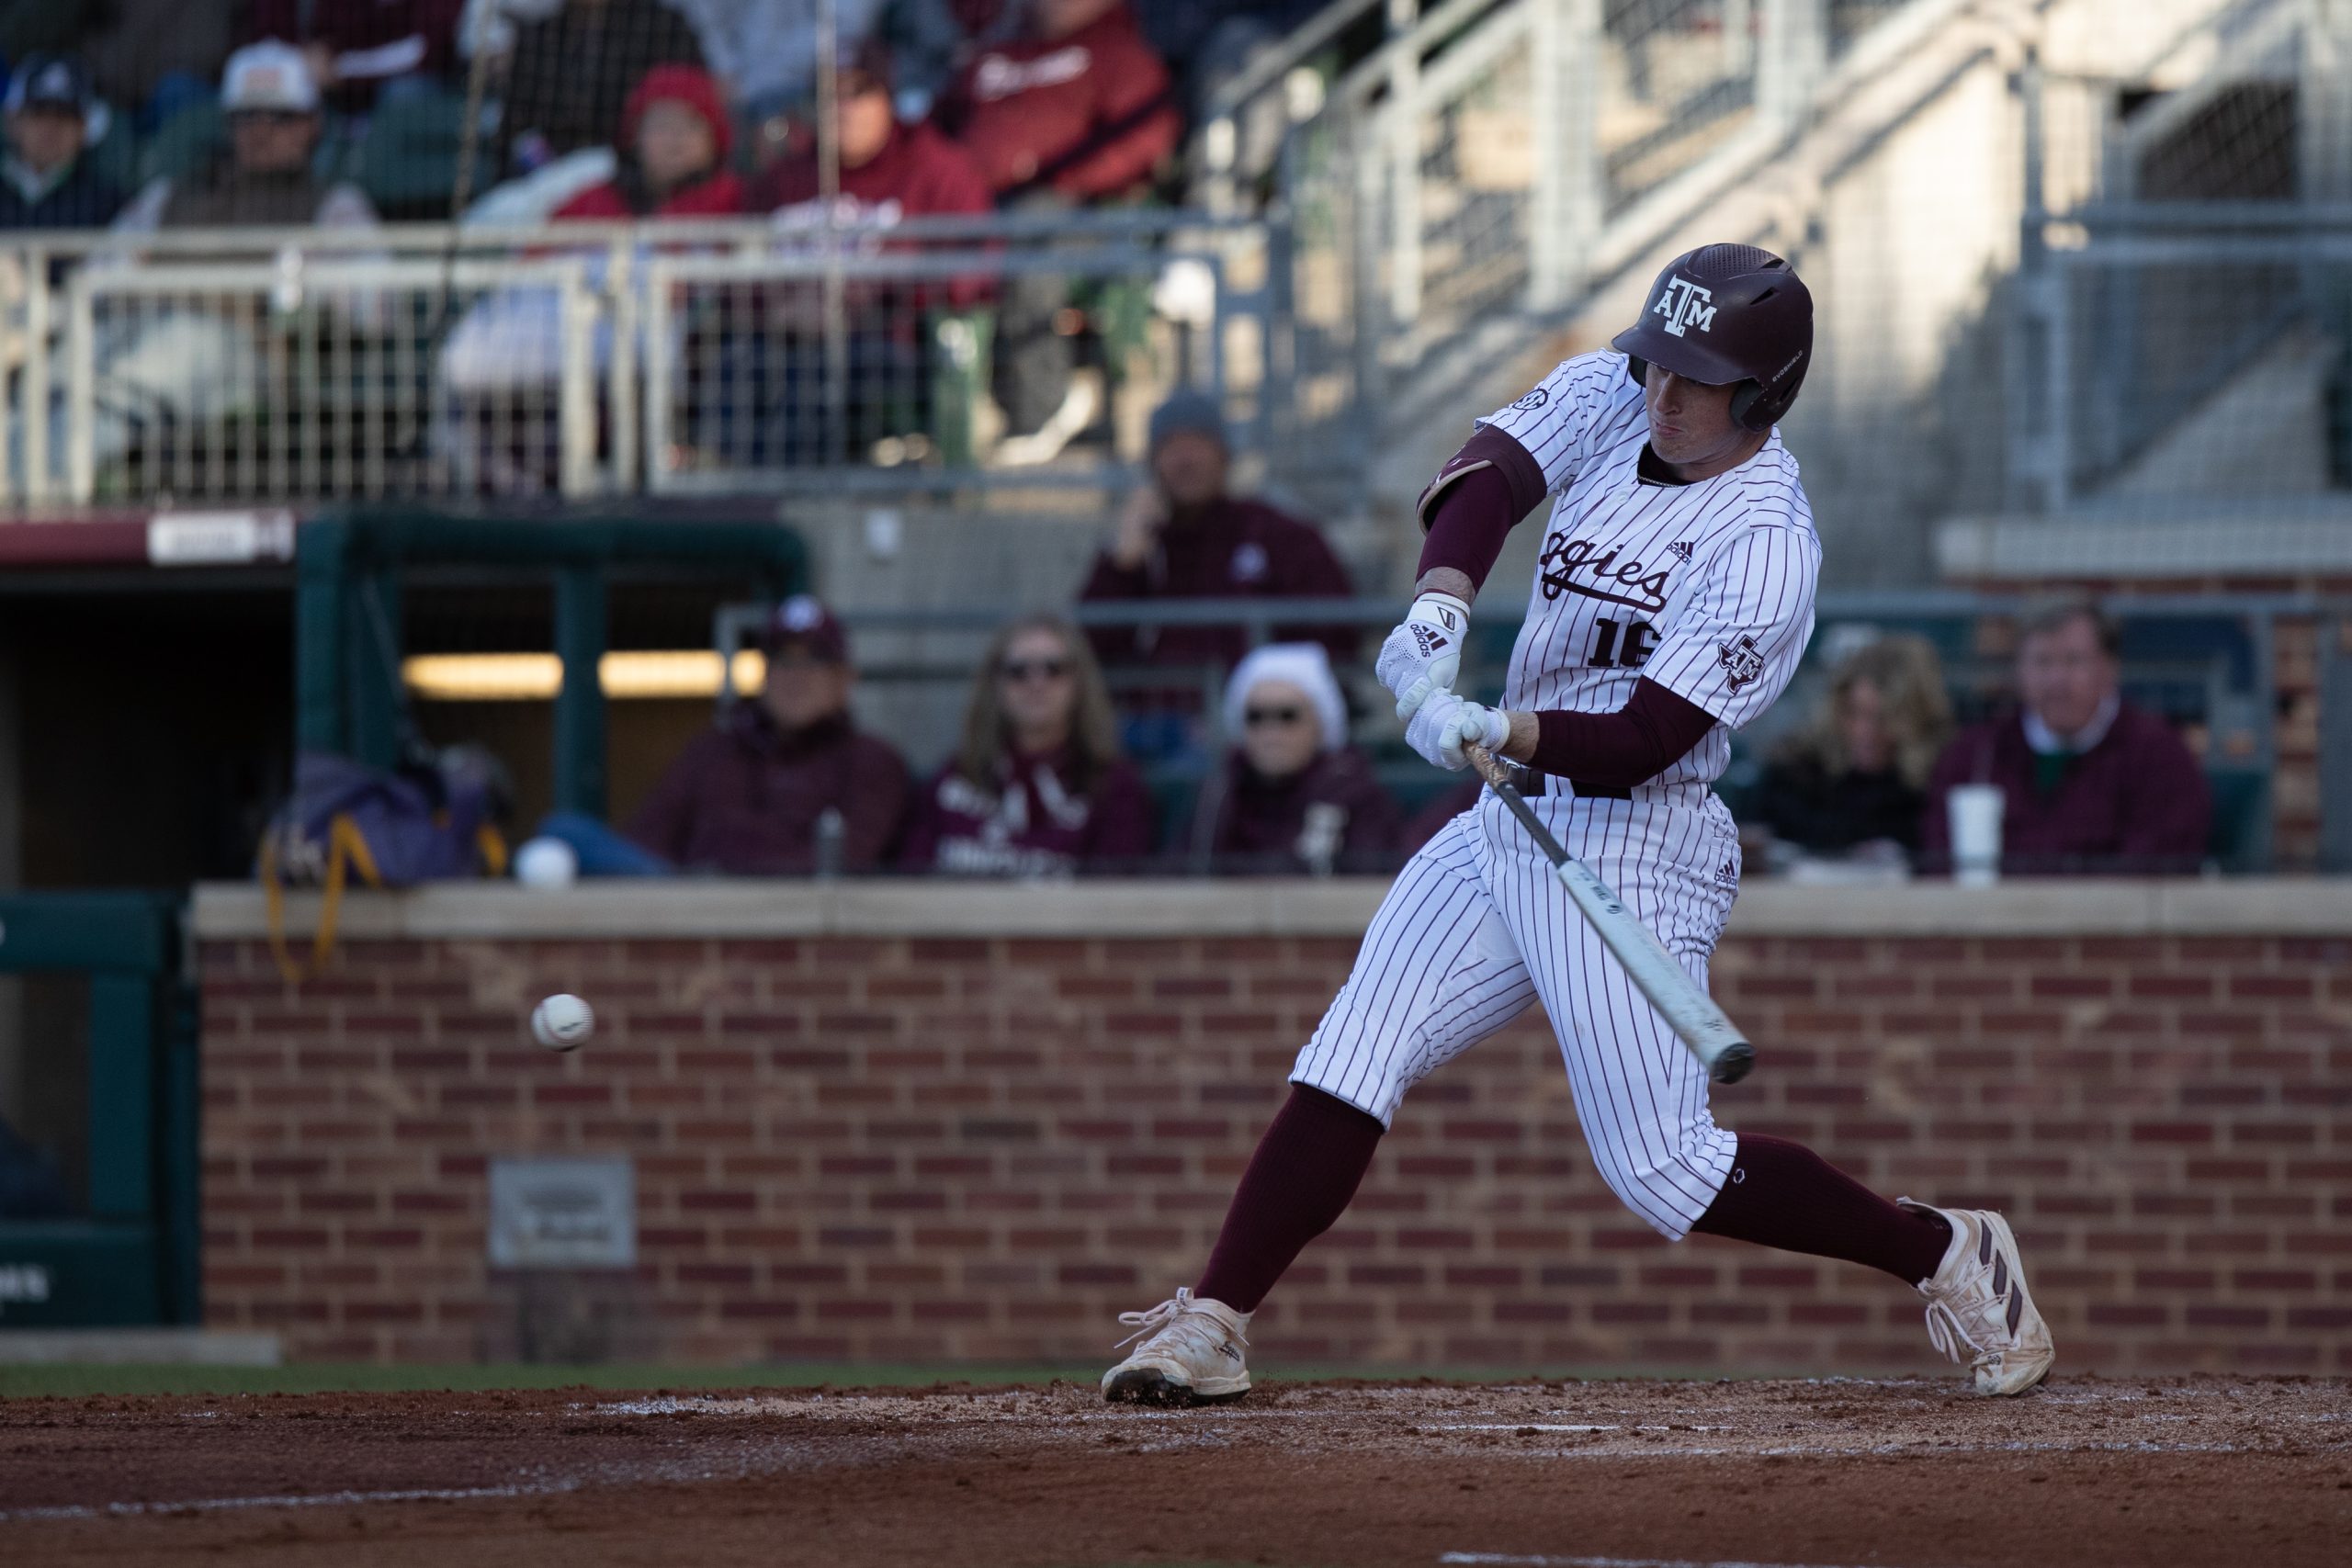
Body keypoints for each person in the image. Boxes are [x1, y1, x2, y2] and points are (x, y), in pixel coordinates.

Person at [1099, 245, 2054, 1408]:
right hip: (1509, 815)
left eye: (1698, 381)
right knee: (1354, 1050)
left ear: (1765, 393)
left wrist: (1500, 722)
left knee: (1665, 1169)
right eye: (1659, 364)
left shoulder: (1767, 541)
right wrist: (1443, 606)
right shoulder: (1627, 386)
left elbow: (1646, 737)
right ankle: (1214, 1322)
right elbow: (1488, 470)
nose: (1663, 394)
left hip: (1636, 837)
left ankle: (1945, 1251)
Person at [932, 0, 1180, 446]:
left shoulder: (1117, 52)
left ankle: (1040, 410)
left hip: (1083, 209)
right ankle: (929, 422)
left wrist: (1064, 180)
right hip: (981, 204)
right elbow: (939, 127)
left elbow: (1145, 138)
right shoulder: (996, 51)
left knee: (1031, 263)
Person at [735, 40, 993, 464]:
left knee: (839, 377)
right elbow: (736, 271)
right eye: (830, 95)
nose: (844, 108)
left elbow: (974, 268)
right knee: (737, 368)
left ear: (887, 99)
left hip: (893, 343)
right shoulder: (784, 178)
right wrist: (781, 306)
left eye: (860, 92)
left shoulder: (936, 167)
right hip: (786, 341)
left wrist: (873, 296)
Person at [1920, 601, 2211, 874]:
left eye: (2073, 661)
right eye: (2042, 662)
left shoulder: (2159, 757)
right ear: (2019, 671)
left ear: (2109, 668)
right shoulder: (1976, 756)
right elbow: (1940, 864)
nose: (2057, 680)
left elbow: (2161, 868)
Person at [627, 596, 912, 874]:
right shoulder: (711, 752)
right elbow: (644, 844)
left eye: (814, 660)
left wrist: (725, 854)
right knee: (584, 838)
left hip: (809, 918)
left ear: (844, 678)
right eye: (782, 659)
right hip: (703, 912)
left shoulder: (872, 763)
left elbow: (848, 862)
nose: (796, 676)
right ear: (762, 673)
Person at [1080, 390, 1357, 675]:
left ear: (1224, 455)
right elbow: (1085, 654)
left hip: (1256, 714)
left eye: (1199, 443)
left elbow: (1337, 633)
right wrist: (1122, 567)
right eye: (1171, 446)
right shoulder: (1139, 546)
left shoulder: (1278, 535)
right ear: (1153, 462)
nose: (1186, 460)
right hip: (1158, 717)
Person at [899, 615, 1155, 874]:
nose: (1036, 683)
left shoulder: (1114, 787)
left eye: (1054, 669)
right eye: (1018, 671)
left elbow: (1115, 896)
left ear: (1079, 684)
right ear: (995, 685)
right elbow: (912, 879)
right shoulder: (953, 777)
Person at [114, 41, 380, 232]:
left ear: (312, 123)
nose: (261, 131)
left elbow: (378, 300)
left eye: (281, 116)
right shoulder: (168, 196)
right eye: (247, 114)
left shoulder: (337, 205)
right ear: (228, 123)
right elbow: (94, 281)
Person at [1185, 642, 1399, 874]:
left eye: (1288, 716)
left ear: (1320, 724)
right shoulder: (1218, 794)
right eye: (1255, 717)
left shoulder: (1358, 797)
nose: (1271, 732)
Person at [1751, 635, 1951, 866]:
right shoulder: (1797, 775)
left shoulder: (1936, 786)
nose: (1863, 731)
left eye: (1882, 718)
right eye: (1853, 712)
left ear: (1914, 719)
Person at [553, 63, 745, 219]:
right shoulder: (592, 205)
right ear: (635, 137)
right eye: (662, 125)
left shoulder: (740, 202)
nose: (676, 139)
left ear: (715, 137)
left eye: (691, 125)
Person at [0, 54, 124, 230]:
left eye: (65, 115)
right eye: (39, 113)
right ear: (13, 121)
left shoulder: (107, 204)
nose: (51, 127)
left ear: (84, 128)